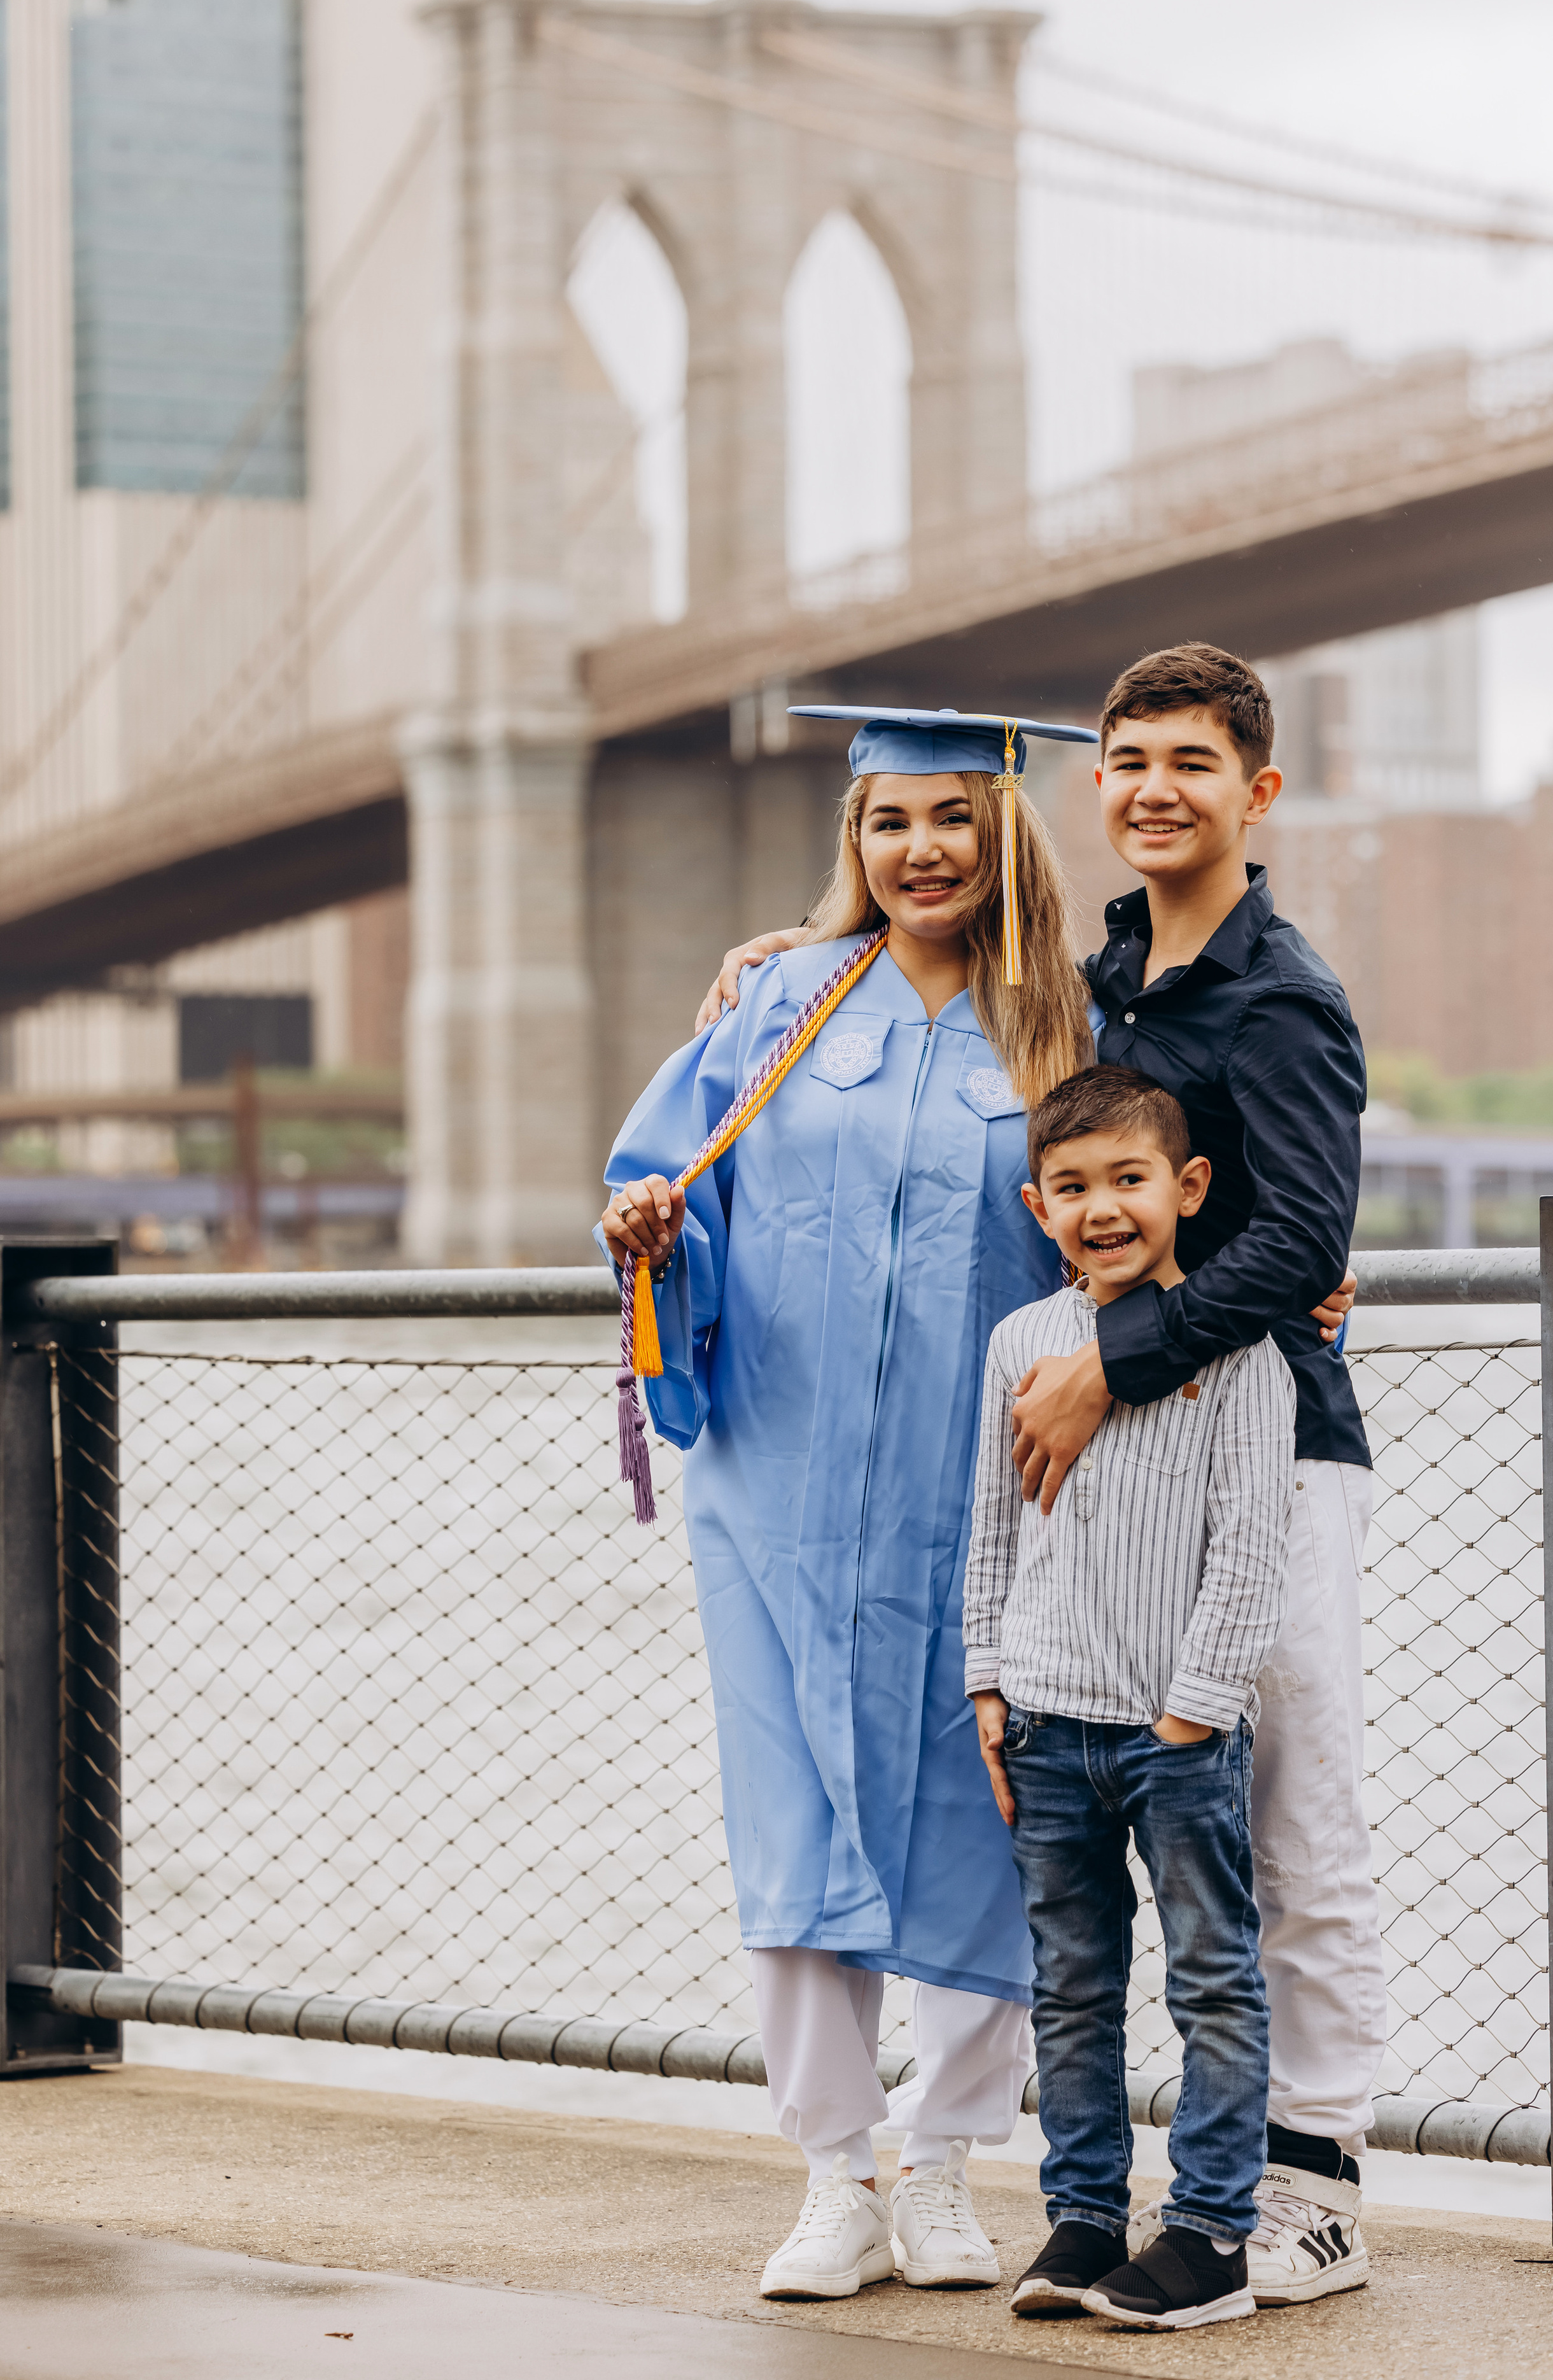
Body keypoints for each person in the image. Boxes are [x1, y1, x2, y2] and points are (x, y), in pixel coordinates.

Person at [692, 642, 1381, 2307]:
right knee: (1109, 1836)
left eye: (1191, 763)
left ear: (1256, 791)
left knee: (1288, 1824)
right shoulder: (1106, 981)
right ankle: (1125, 2192)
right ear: (1095, 787)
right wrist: (808, 946)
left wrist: (1110, 1358)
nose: (1154, 788)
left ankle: (1315, 2184)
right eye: (1130, 760)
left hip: (1267, 1440)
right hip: (1114, 1469)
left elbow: (1300, 1234)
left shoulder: (1282, 994)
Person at [598, 706, 1097, 2302]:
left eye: (952, 817)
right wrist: (650, 1230)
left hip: (992, 1501)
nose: (920, 850)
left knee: (988, 1818)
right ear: (853, 837)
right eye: (889, 820)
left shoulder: (1070, 1026)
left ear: (1003, 830)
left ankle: (942, 2166)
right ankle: (833, 2175)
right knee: (793, 1812)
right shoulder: (782, 1003)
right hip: (783, 1490)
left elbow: (1135, 1231)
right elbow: (674, 1191)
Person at [964, 1063, 1293, 2331]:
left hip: (1177, 1734)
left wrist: (1191, 1711)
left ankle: (1208, 2232)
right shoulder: (1020, 1343)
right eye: (1071, 1186)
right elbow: (991, 1525)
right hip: (1047, 1723)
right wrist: (988, 1679)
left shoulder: (1236, 1347)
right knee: (1071, 1982)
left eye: (1128, 1179)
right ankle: (1085, 2216)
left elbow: (1250, 1549)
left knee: (1210, 1979)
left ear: (1187, 1186)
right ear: (1036, 1204)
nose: (1101, 1208)